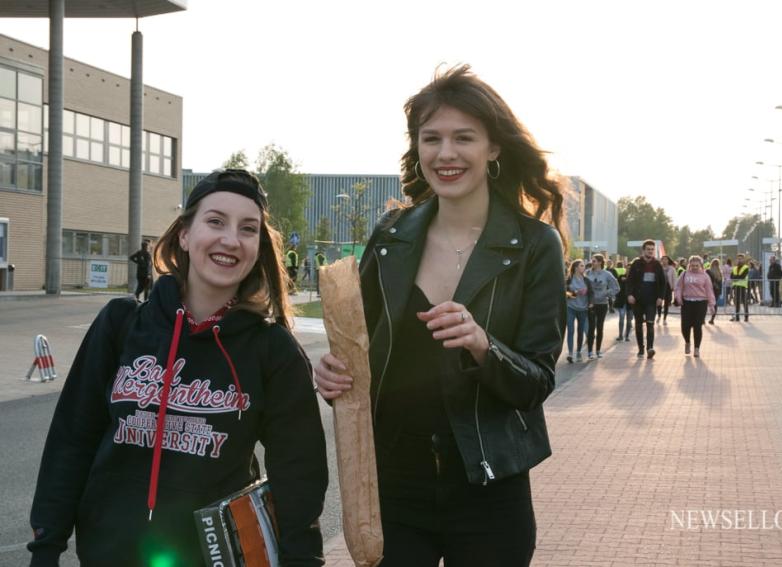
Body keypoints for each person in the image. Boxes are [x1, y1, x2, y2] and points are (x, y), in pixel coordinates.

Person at [313, 65, 567, 567]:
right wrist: (333, 372)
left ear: (493, 147)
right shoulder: (391, 237)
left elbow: (536, 380)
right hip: (392, 486)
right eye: (431, 138)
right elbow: (358, 347)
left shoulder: (535, 245)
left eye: (463, 138)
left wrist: (482, 344)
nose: (445, 154)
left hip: (489, 488)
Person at [28, 169, 328, 566]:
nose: (230, 239)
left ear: (259, 247)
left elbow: (298, 475)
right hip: (110, 553)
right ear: (185, 234)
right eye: (215, 221)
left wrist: (302, 560)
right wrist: (46, 546)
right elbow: (72, 439)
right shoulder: (122, 324)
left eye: (248, 228)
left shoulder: (272, 349)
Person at [625, 239, 666, 359]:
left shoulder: (657, 265)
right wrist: (629, 295)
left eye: (652, 249)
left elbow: (663, 283)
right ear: (643, 250)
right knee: (638, 324)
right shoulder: (636, 263)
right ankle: (641, 348)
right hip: (637, 300)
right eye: (648, 249)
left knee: (650, 324)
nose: (650, 251)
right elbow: (629, 281)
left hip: (652, 300)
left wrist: (660, 297)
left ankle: (650, 348)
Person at [674, 255, 716, 357]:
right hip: (687, 302)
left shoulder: (705, 276)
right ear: (689, 265)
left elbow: (709, 290)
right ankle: (687, 342)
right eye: (692, 265)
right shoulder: (684, 274)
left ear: (701, 265)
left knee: (697, 326)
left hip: (701, 303)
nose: (694, 267)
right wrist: (678, 297)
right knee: (685, 326)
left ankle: (697, 348)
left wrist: (712, 305)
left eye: (697, 265)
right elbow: (678, 287)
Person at [585, 253, 619, 359]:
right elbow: (581, 284)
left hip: (602, 304)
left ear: (600, 262)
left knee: (600, 327)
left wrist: (607, 293)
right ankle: (590, 352)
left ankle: (598, 350)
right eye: (592, 261)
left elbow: (616, 287)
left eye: (594, 261)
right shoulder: (587, 273)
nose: (592, 263)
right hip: (591, 303)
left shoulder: (607, 274)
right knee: (591, 327)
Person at [565, 259, 591, 363]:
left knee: (581, 331)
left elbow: (591, 293)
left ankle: (579, 352)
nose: (583, 267)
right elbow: (565, 291)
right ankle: (570, 354)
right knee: (570, 330)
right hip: (570, 307)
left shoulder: (586, 280)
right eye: (581, 266)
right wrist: (575, 292)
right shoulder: (569, 279)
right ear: (576, 267)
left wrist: (591, 302)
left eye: (583, 266)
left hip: (583, 308)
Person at [613, 260, 633, 341]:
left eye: (630, 269)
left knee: (629, 320)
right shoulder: (621, 277)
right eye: (627, 268)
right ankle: (620, 335)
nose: (629, 270)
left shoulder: (635, 279)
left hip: (631, 302)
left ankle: (627, 336)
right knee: (621, 318)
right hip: (622, 301)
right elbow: (617, 286)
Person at [730, 253, 750, 322]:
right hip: (736, 287)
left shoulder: (746, 267)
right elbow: (731, 277)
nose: (739, 260)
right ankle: (737, 317)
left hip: (743, 287)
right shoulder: (734, 268)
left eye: (741, 259)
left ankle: (746, 317)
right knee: (737, 302)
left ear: (743, 260)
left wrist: (736, 277)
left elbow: (742, 277)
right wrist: (737, 277)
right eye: (738, 259)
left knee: (744, 302)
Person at [660, 255, 677, 325]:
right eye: (663, 259)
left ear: (668, 260)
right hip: (660, 287)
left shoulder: (672, 268)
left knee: (667, 303)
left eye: (666, 259)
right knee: (659, 301)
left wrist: (673, 287)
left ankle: (664, 318)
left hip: (668, 287)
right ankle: (658, 314)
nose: (664, 261)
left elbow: (674, 278)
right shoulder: (659, 268)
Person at [707, 258, 723, 325]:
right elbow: (720, 283)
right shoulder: (719, 273)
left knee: (705, 304)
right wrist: (720, 292)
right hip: (716, 290)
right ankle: (712, 319)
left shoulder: (708, 271)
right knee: (715, 304)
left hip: (709, 290)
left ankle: (702, 319)